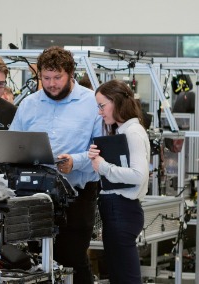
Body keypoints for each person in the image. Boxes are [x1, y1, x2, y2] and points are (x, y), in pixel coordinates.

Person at [10, 46, 102, 284]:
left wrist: (76, 161)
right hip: (33, 195)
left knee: (71, 259)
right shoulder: (29, 104)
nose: (51, 84)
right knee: (34, 263)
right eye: (46, 78)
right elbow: (13, 143)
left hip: (77, 195)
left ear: (70, 73)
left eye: (57, 78)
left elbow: (101, 148)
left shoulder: (91, 103)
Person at [88, 79, 150, 284]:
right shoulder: (123, 131)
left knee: (126, 279)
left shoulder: (132, 132)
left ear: (116, 101)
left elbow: (138, 175)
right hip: (118, 210)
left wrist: (104, 166)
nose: (100, 112)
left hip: (122, 210)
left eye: (102, 105)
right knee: (119, 276)